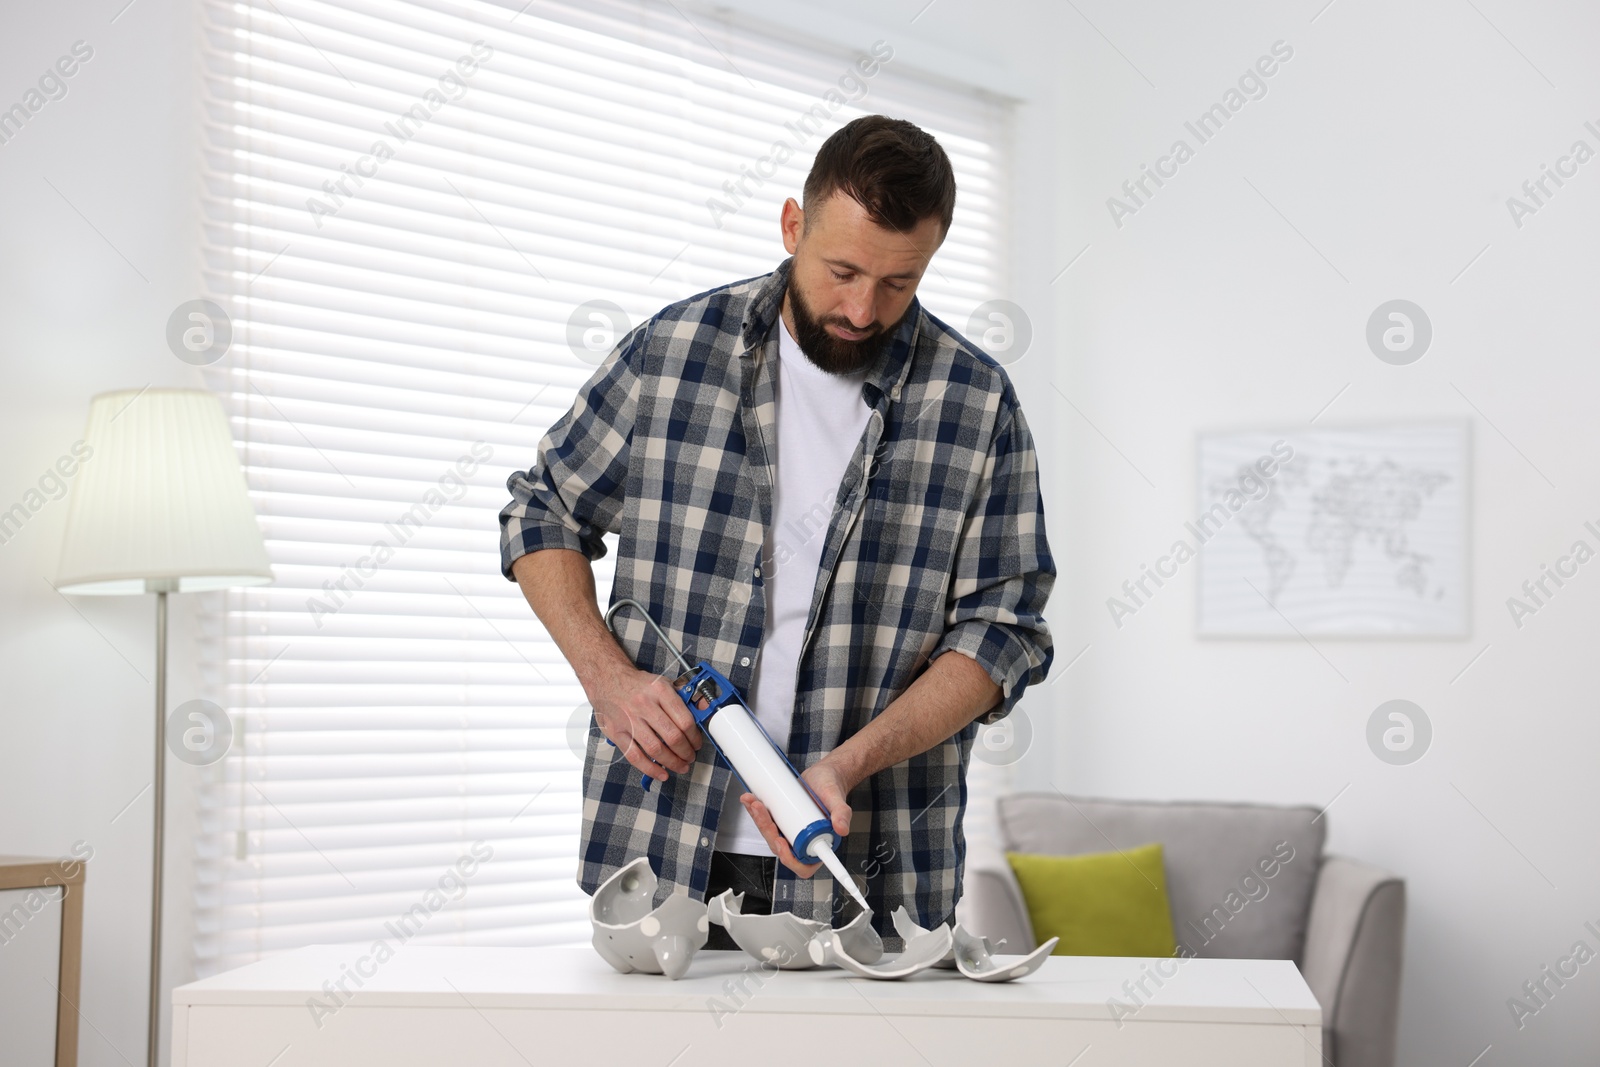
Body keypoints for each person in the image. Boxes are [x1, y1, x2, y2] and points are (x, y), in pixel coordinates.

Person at [499, 114, 1053, 949]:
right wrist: (608, 680)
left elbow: (1003, 633)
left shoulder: (977, 405)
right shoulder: (673, 353)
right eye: (842, 271)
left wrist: (849, 762)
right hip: (661, 851)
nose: (864, 308)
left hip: (873, 872)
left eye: (899, 283)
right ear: (794, 225)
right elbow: (544, 511)